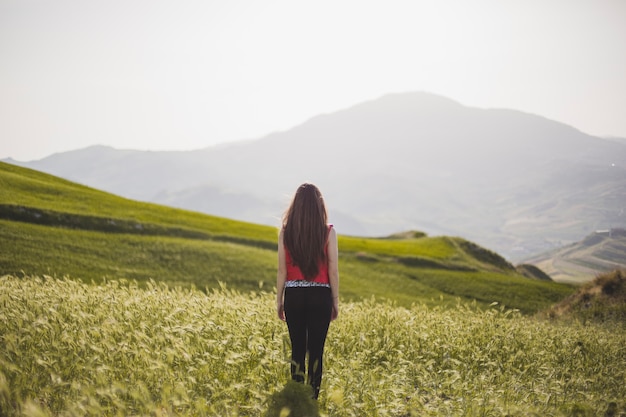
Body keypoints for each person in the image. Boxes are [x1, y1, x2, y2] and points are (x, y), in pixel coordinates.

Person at [276, 183, 339, 400]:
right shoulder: (328, 233)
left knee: (297, 351)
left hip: (293, 295)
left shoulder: (286, 232)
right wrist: (335, 301)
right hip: (320, 296)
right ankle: (312, 399)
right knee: (316, 352)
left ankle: (296, 398)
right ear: (319, 206)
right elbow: (333, 270)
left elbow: (282, 270)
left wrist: (279, 301)